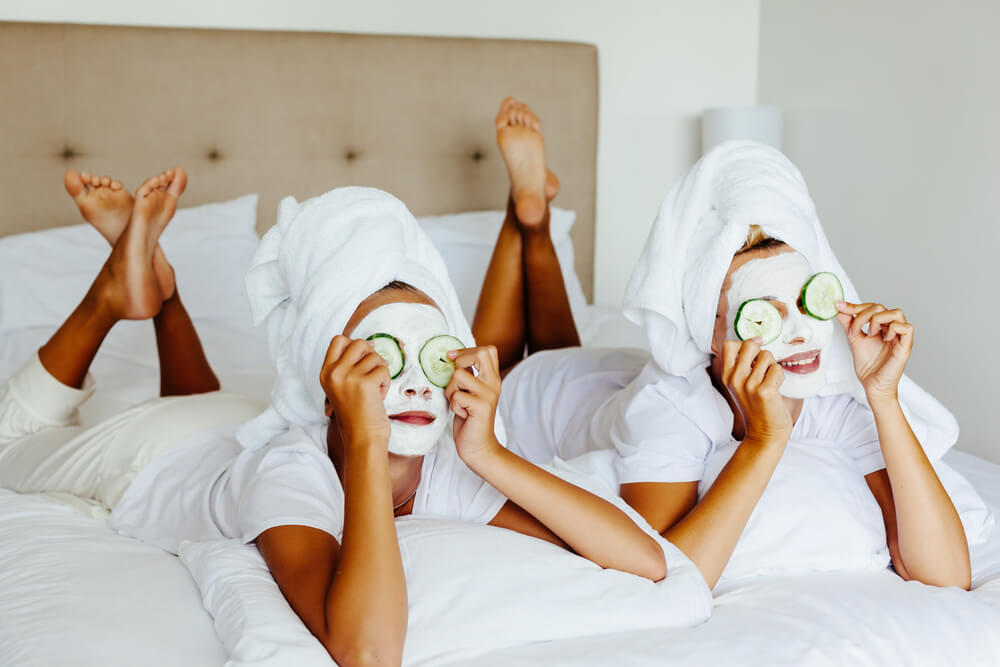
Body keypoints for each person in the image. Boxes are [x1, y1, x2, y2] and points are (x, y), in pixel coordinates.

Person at [0, 160, 666, 666]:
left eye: (427, 356)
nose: (408, 383)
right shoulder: (293, 472)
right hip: (154, 454)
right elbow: (368, 652)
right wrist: (370, 447)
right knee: (12, 439)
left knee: (210, 403)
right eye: (381, 359)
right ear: (331, 384)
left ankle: (162, 292)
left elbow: (646, 558)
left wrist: (488, 450)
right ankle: (114, 295)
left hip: (235, 422)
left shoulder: (445, 461)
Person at [479, 135, 973, 590]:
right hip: (542, 397)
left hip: (602, 380)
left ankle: (534, 221)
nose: (801, 335)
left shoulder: (834, 396)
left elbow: (945, 575)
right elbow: (667, 575)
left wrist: (882, 396)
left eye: (807, 301)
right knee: (503, 360)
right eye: (766, 316)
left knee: (560, 342)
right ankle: (529, 222)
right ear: (709, 332)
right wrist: (764, 440)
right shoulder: (668, 408)